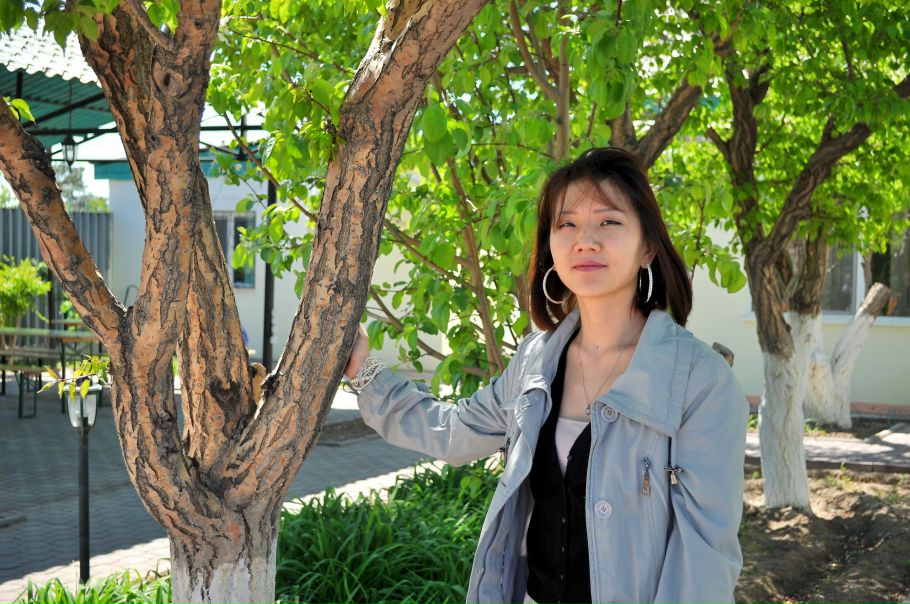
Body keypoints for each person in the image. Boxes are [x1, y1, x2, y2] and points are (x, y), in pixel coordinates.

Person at [344, 147, 748, 604]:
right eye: (566, 224)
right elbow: (454, 432)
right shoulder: (537, 361)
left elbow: (704, 558)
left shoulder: (699, 380)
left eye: (609, 222)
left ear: (647, 247)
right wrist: (365, 373)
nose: (585, 241)